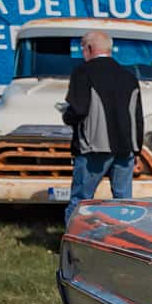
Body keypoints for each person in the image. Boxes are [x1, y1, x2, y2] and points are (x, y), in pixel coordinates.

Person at [61, 29, 143, 219]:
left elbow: (79, 109)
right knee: (123, 201)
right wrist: (137, 149)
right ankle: (122, 242)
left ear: (89, 48)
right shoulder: (128, 76)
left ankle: (75, 243)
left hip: (93, 148)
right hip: (125, 148)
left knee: (81, 200)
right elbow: (137, 117)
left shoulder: (83, 72)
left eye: (82, 48)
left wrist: (67, 116)